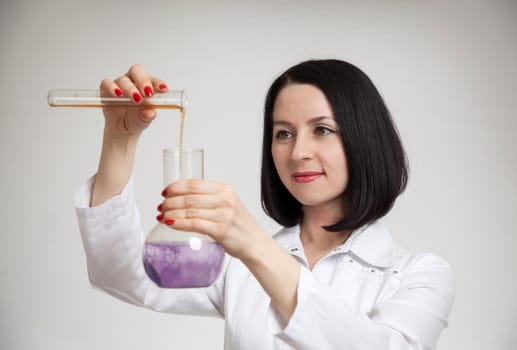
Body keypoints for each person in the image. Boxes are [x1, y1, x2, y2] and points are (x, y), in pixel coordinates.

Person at [75, 60, 454, 349]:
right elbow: (121, 274)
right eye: (283, 134)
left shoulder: (419, 276)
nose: (298, 152)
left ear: (364, 138)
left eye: (322, 129)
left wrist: (255, 244)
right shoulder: (237, 265)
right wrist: (119, 140)